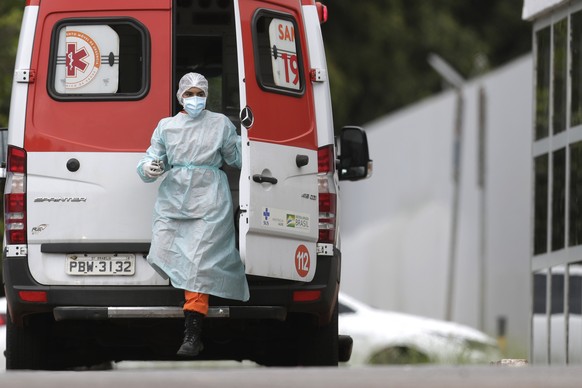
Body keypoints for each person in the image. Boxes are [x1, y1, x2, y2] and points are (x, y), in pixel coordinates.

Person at [137, 72, 249, 357]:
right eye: (189, 94)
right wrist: (148, 167)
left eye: (200, 93)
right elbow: (154, 156)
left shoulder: (220, 124)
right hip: (173, 200)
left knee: (197, 265)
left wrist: (249, 136)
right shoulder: (167, 126)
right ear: (179, 96)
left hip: (209, 199)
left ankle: (193, 333)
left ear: (207, 95)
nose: (194, 98)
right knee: (162, 249)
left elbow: (237, 158)